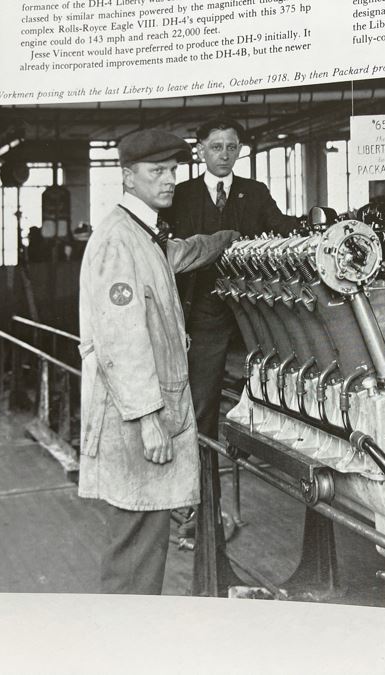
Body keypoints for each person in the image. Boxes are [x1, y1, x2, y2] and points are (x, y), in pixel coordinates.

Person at [78, 128, 239, 594]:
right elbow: (121, 341)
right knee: (135, 550)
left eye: (172, 170)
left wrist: (229, 237)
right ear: (128, 177)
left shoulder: (146, 235)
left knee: (146, 545)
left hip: (148, 415)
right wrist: (150, 420)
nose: (169, 180)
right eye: (156, 171)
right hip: (135, 420)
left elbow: (183, 253)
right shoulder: (117, 241)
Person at [162, 117, 298, 443]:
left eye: (231, 147)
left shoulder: (255, 192)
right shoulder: (180, 196)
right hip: (204, 315)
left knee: (281, 393)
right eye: (216, 147)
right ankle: (205, 487)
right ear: (201, 151)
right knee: (201, 405)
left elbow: (282, 229)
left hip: (254, 310)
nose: (224, 154)